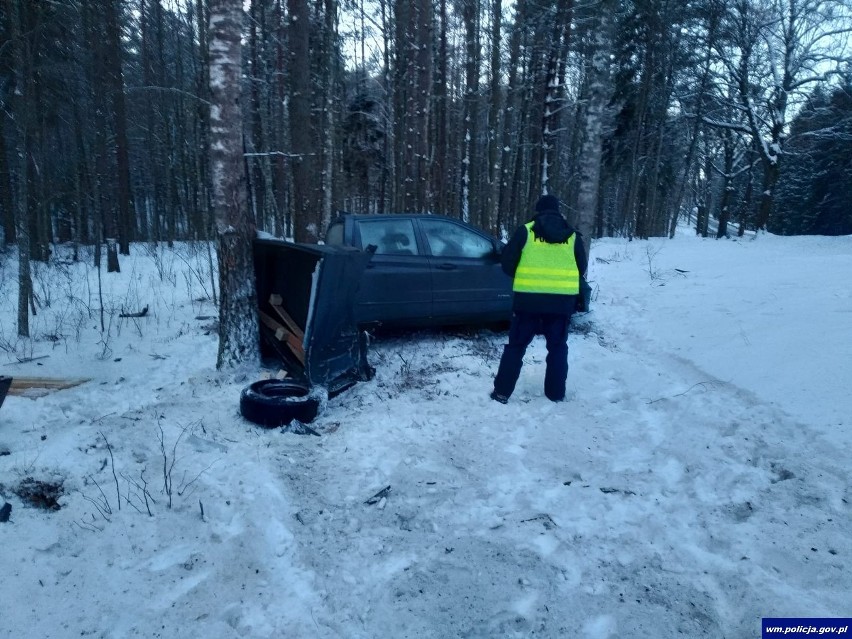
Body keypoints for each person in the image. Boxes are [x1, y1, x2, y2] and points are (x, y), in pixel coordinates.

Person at [491, 194, 588, 403]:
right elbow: (581, 268)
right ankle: (555, 394)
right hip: (561, 305)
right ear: (558, 211)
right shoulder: (572, 236)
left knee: (515, 347)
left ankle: (501, 393)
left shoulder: (525, 231)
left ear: (538, 210)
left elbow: (507, 263)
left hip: (527, 303)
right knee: (558, 348)